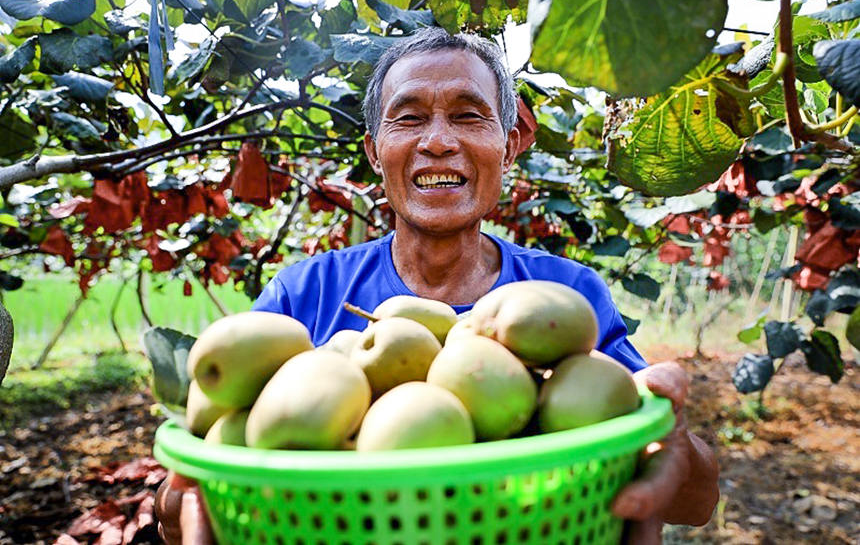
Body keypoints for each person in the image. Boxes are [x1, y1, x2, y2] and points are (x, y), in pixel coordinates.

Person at [156, 27, 719, 544]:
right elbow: (182, 500)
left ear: (509, 144)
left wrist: (671, 437)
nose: (439, 141)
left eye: (470, 116)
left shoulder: (566, 294)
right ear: (375, 151)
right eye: (409, 117)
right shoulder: (302, 298)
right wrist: (187, 496)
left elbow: (694, 501)